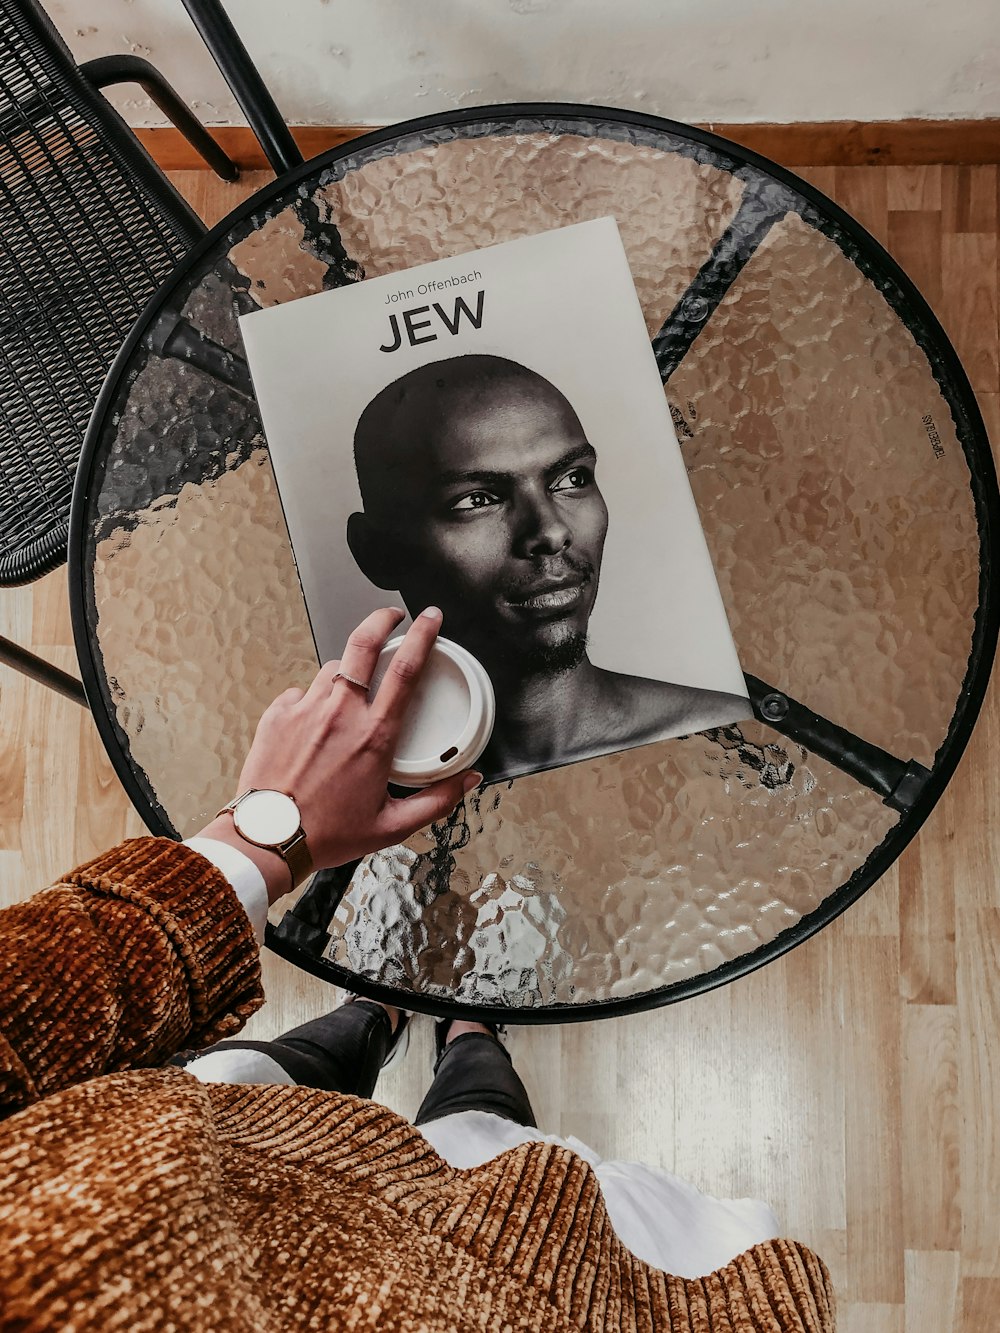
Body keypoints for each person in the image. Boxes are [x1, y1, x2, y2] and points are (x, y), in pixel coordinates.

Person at [0, 607, 833, 1331]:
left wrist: (263, 834)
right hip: (503, 1260)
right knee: (482, 1124)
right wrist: (262, 833)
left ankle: (380, 1006)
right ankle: (465, 1020)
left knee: (292, 1066)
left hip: (205, 1123)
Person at [346, 354, 750, 781]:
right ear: (377, 552)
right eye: (477, 500)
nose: (551, 531)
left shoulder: (722, 742)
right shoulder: (355, 797)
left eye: (572, 479)